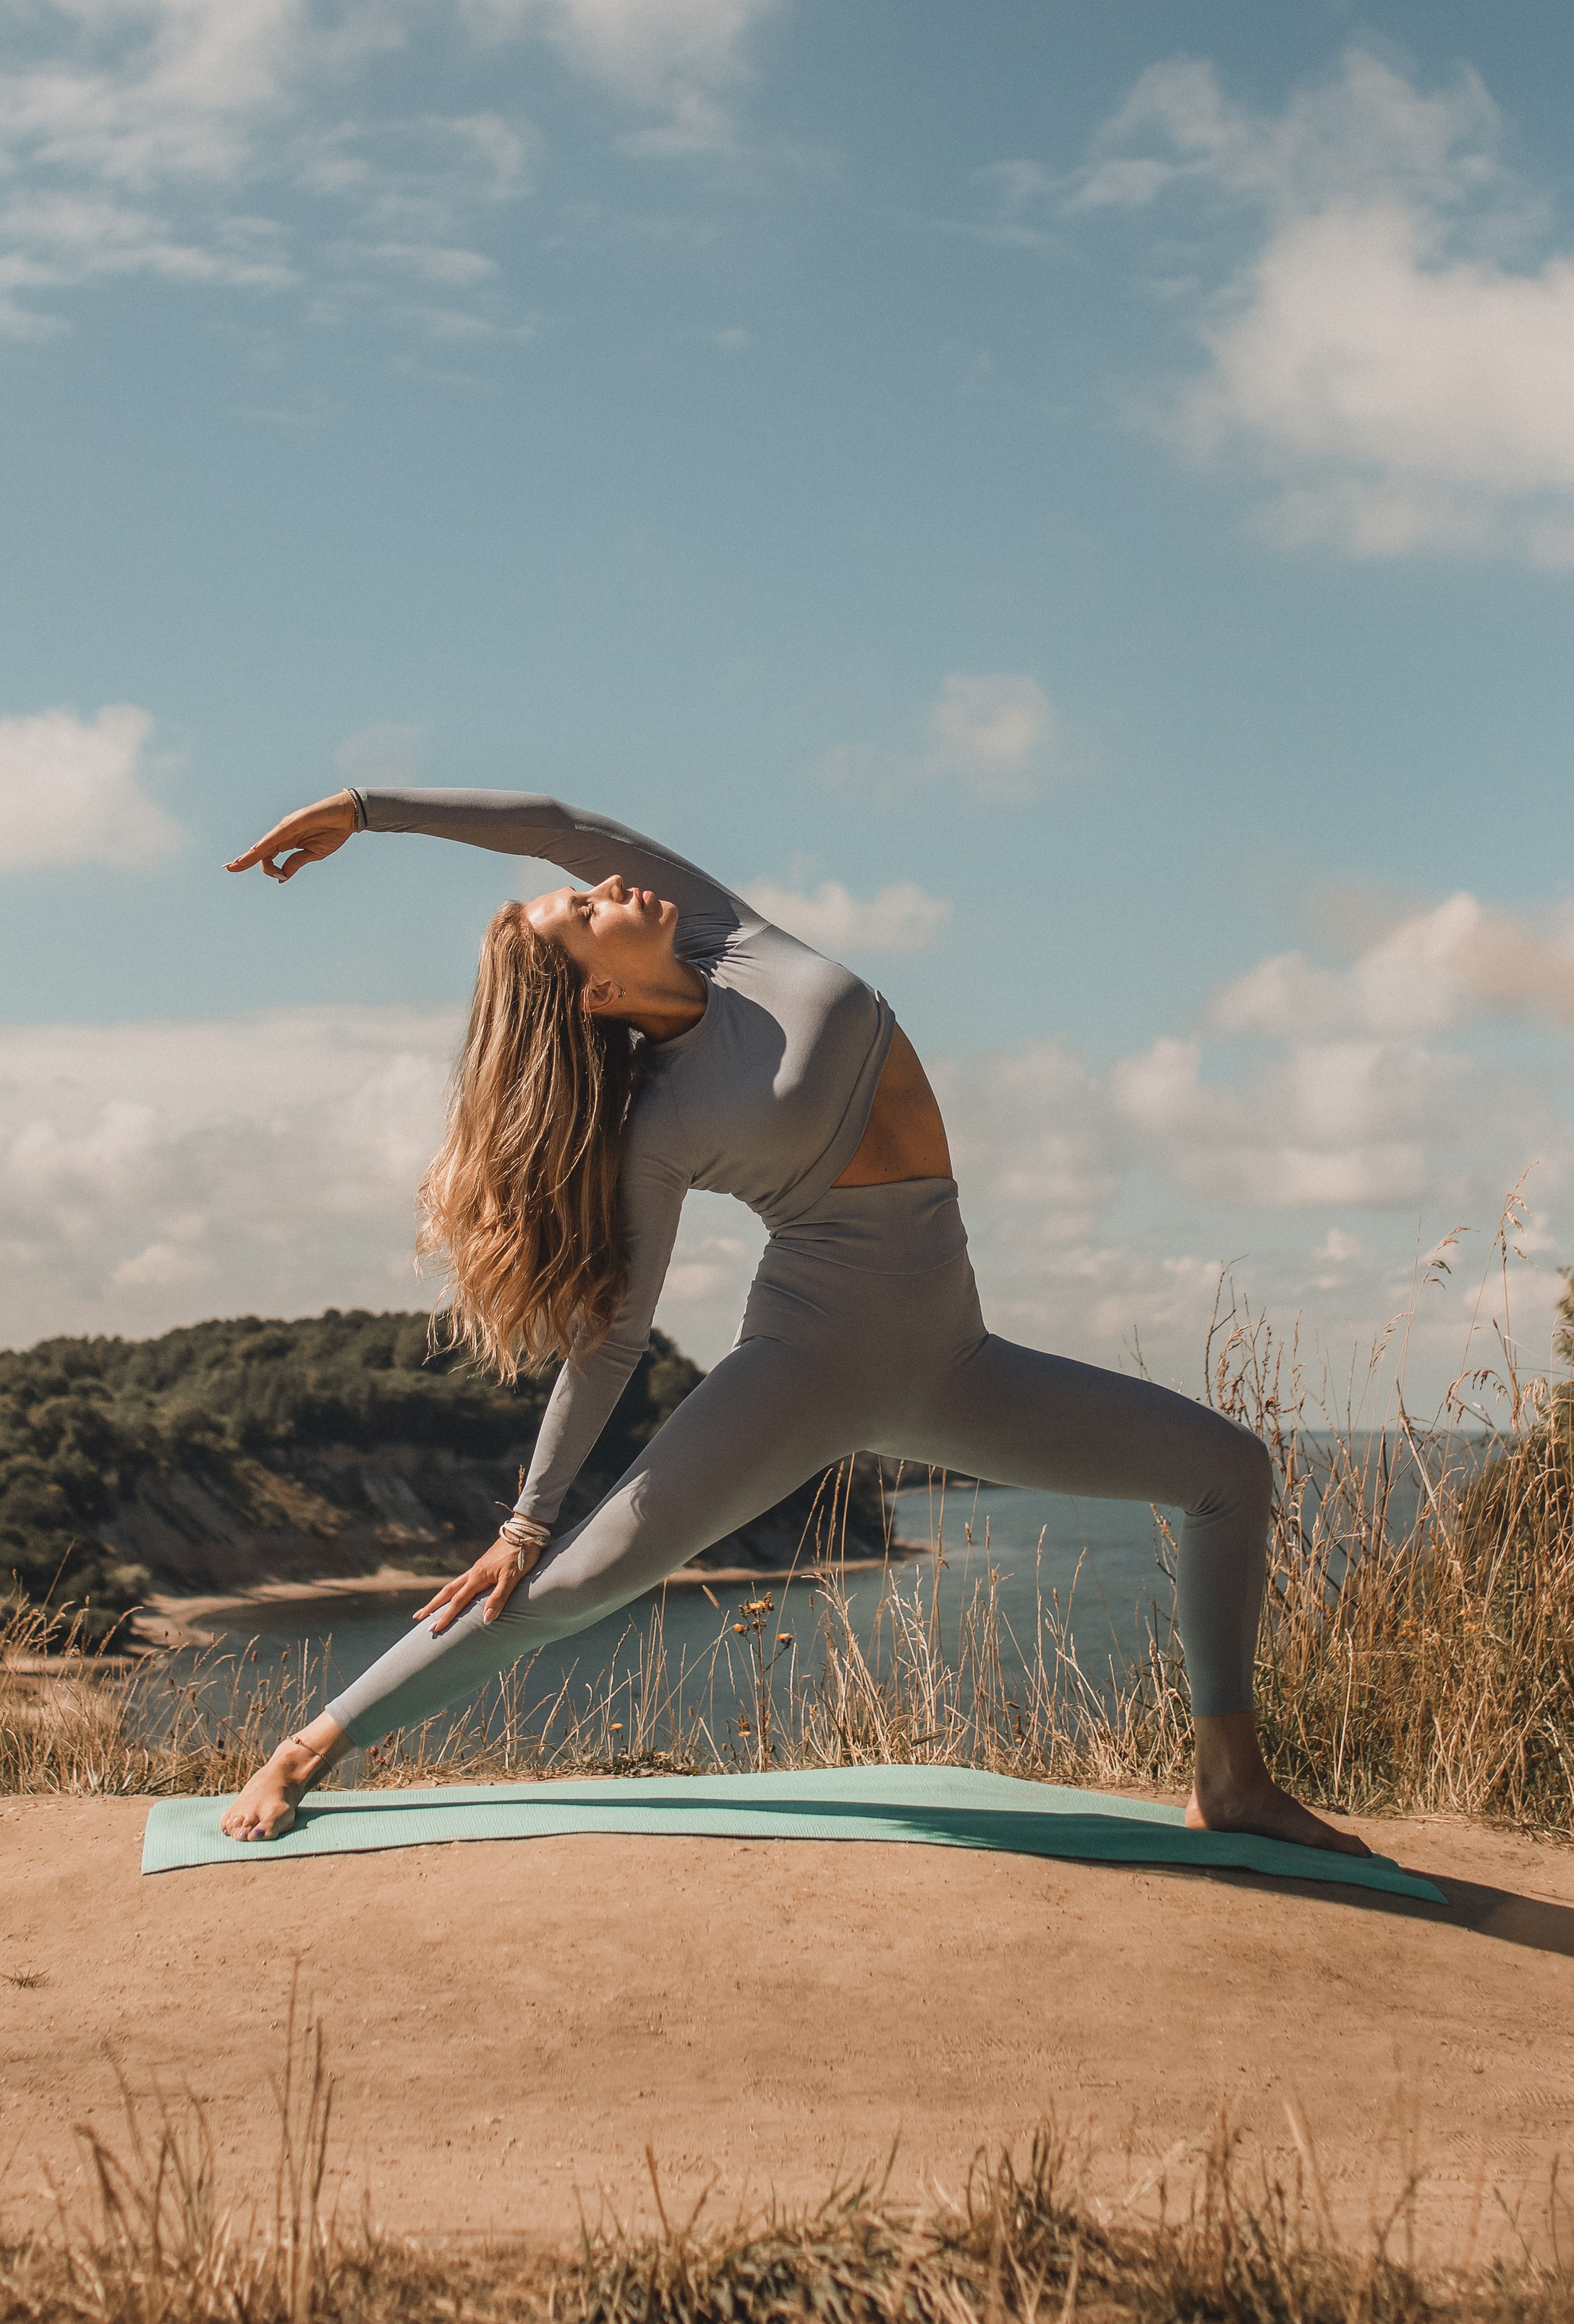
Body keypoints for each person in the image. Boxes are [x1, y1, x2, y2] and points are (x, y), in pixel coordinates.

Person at [217, 784, 1366, 1856]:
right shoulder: (656, 1130)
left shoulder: (724, 932)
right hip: (811, 1359)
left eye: (593, 886)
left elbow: (554, 821)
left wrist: (368, 812)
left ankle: (1229, 1780)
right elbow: (613, 1337)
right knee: (565, 1589)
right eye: (584, 910)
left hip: (954, 1359)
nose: (608, 886)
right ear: (598, 993)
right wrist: (525, 1522)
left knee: (1229, 1470)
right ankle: (308, 1748)